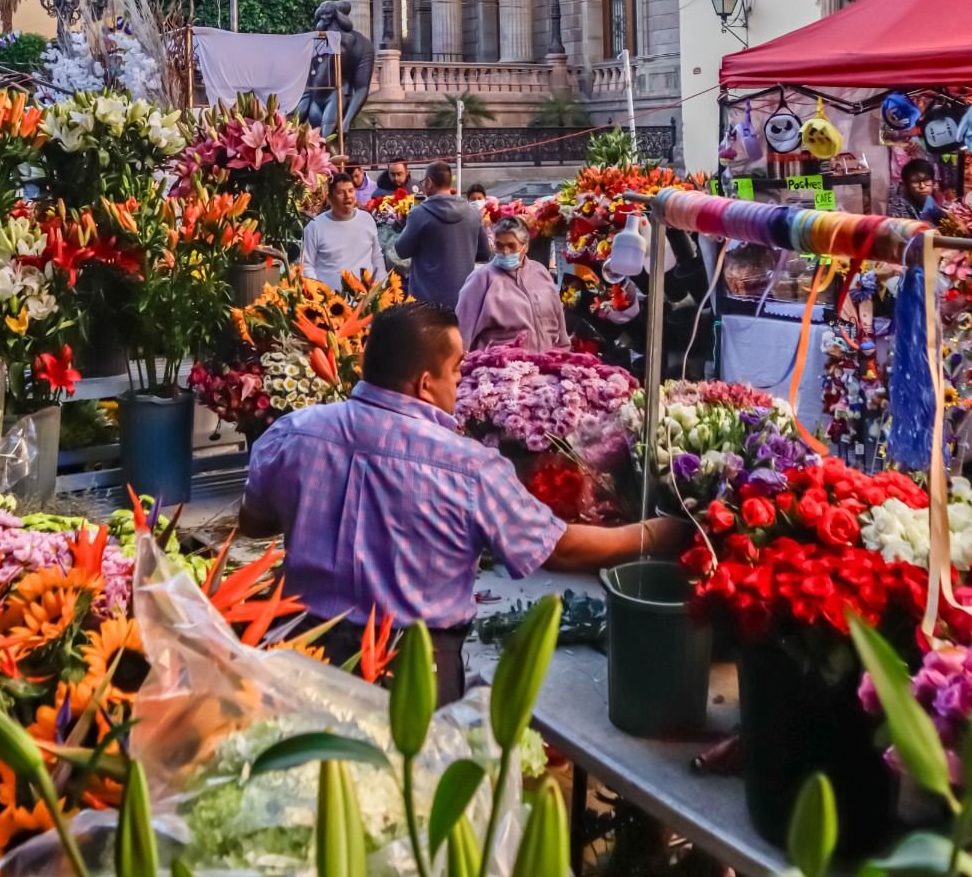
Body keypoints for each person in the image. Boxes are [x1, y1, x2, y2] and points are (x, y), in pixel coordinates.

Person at [239, 301, 684, 702]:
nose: (460, 380)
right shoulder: (467, 467)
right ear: (425, 383)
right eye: (456, 370)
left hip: (297, 653)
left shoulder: (292, 433)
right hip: (410, 671)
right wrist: (660, 532)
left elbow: (254, 522)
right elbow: (559, 549)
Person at [456, 215, 569, 353]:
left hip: (546, 363)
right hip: (499, 367)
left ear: (525, 247)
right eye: (499, 245)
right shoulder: (481, 279)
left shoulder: (541, 273)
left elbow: (558, 319)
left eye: (511, 246)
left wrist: (564, 351)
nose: (505, 252)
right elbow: (461, 331)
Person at [394, 161, 489, 309]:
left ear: (429, 182)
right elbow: (484, 253)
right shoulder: (472, 213)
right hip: (462, 298)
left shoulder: (419, 214)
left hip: (425, 300)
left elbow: (401, 250)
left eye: (424, 181)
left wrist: (403, 224)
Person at [301, 173, 385, 289]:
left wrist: (382, 286)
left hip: (366, 298)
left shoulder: (367, 219)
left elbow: (376, 257)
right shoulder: (315, 227)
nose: (348, 196)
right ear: (329, 197)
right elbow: (306, 265)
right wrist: (318, 293)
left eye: (351, 191)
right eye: (341, 192)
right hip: (330, 302)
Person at [888, 158, 943, 225]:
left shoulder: (930, 200)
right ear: (906, 184)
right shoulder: (898, 205)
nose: (922, 186)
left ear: (933, 181)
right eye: (916, 182)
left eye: (926, 180)